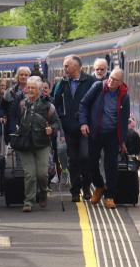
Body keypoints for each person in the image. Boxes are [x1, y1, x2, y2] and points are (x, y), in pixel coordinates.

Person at [79, 68, 130, 209]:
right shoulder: (98, 87)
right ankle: (100, 186)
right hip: (95, 133)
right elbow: (84, 104)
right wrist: (83, 123)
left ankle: (110, 196)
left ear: (121, 82)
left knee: (111, 166)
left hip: (112, 135)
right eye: (111, 78)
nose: (111, 81)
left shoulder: (124, 96)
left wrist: (123, 141)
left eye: (115, 80)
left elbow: (124, 120)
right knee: (91, 163)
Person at [13, 76, 60, 212]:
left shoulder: (48, 106)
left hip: (42, 144)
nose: (30, 90)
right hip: (25, 144)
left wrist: (52, 129)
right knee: (29, 174)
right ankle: (28, 201)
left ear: (40, 90)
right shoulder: (22, 104)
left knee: (42, 174)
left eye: (33, 88)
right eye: (29, 87)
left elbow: (57, 122)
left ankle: (43, 192)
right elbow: (15, 120)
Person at [53, 55, 96, 202]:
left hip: (86, 128)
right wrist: (62, 117)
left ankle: (86, 186)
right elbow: (55, 101)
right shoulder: (63, 83)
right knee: (73, 159)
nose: (64, 69)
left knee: (85, 156)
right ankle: (75, 191)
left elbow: (96, 103)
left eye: (67, 66)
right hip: (69, 127)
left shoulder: (91, 82)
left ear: (76, 67)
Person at [1, 66, 31, 133]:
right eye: (21, 75)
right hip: (13, 125)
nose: (23, 77)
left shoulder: (33, 92)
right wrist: (3, 116)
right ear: (17, 76)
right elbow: (3, 107)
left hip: (29, 127)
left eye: (26, 75)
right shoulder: (10, 92)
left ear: (29, 77)